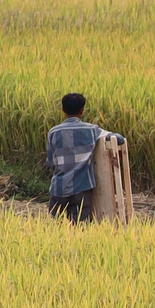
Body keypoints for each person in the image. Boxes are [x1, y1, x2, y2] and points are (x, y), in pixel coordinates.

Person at [45, 92, 102, 222]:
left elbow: (50, 163)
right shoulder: (92, 130)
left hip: (59, 188)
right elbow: (119, 139)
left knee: (55, 227)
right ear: (82, 110)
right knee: (79, 228)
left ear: (63, 109)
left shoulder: (54, 132)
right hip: (81, 188)